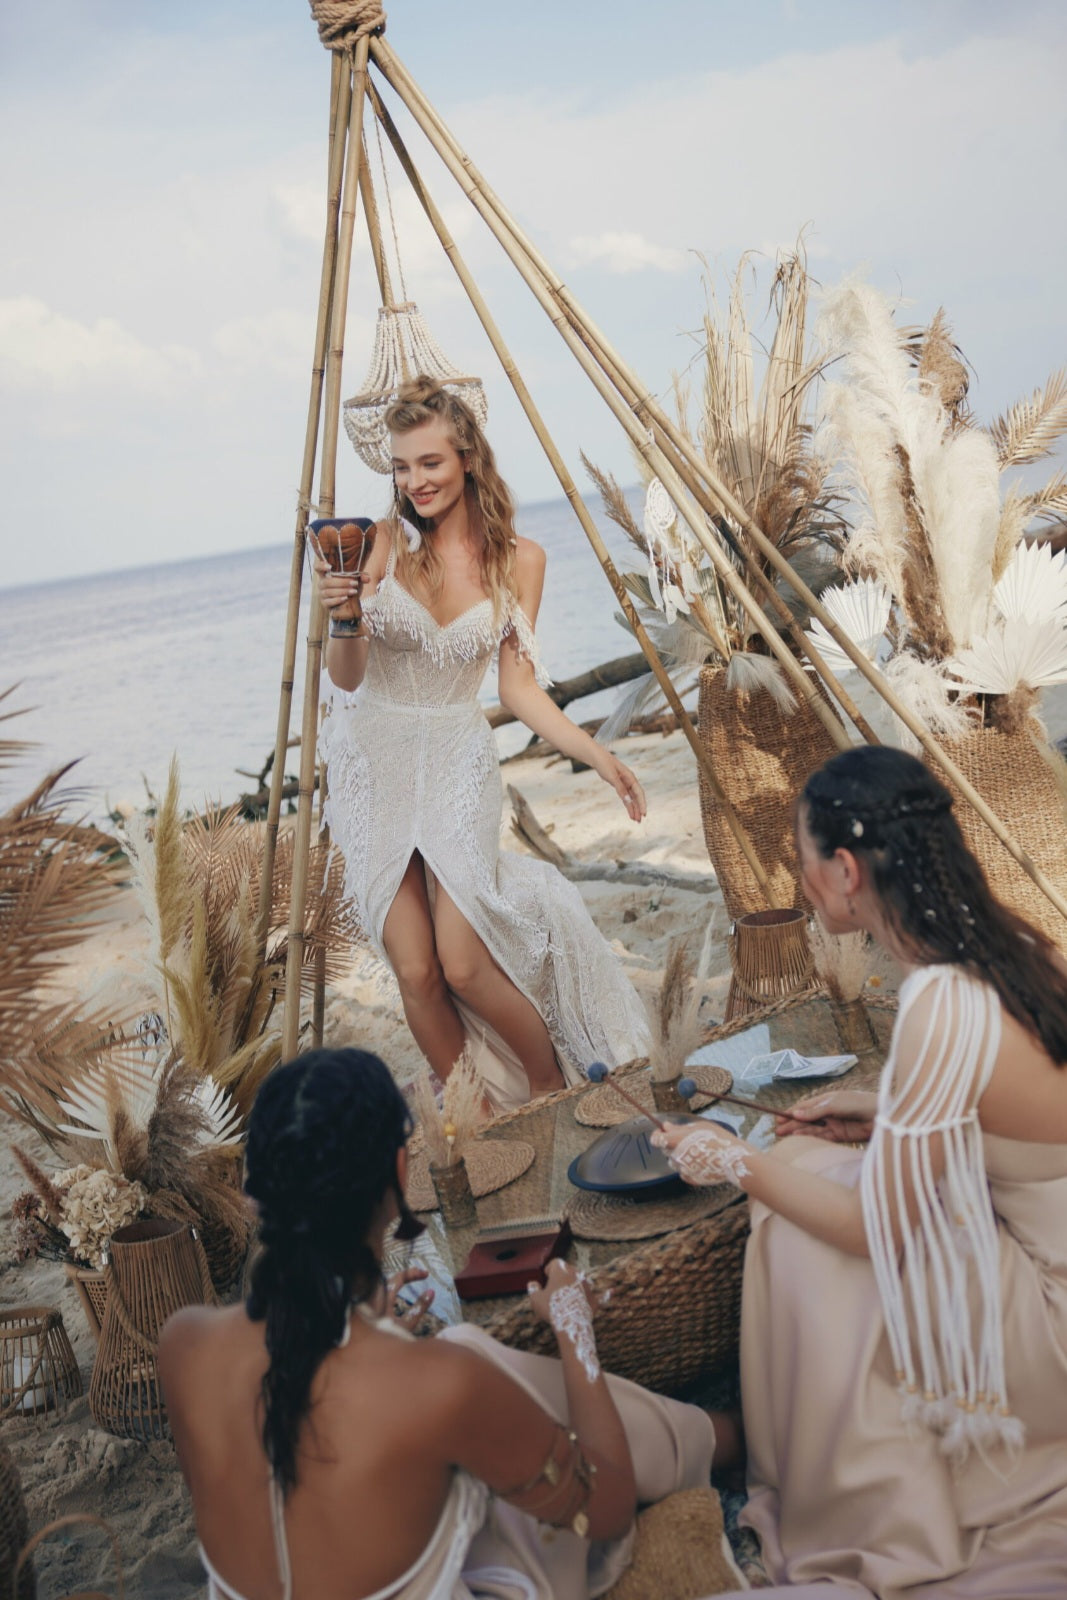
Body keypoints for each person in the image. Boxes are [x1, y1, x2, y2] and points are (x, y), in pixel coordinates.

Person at [654, 744, 1067, 1598]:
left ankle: (854, 1489)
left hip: (1052, 1319)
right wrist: (882, 1109)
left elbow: (875, 1233)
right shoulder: (1009, 946)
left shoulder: (936, 1003)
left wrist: (730, 1159)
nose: (800, 881)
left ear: (845, 870)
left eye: (801, 862)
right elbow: (1018, 1111)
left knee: (808, 1223)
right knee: (814, 1156)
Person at [159, 1048, 737, 1600]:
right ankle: (728, 1437)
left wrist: (364, 1327)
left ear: (251, 1192)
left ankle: (714, 1435)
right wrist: (572, 1327)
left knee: (469, 1360)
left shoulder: (183, 1345)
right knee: (477, 1351)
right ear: (400, 1167)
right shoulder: (440, 1384)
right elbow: (604, 1510)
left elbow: (297, 1475)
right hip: (477, 1435)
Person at [313, 376, 649, 1112]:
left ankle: (549, 1088)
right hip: (373, 760)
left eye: (429, 463)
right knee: (415, 969)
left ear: (466, 458)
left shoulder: (519, 560)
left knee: (463, 963)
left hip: (458, 761)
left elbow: (517, 690)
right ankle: (484, 1117)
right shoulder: (375, 546)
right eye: (402, 467)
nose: (414, 481)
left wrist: (595, 753)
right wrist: (343, 619)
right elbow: (347, 675)